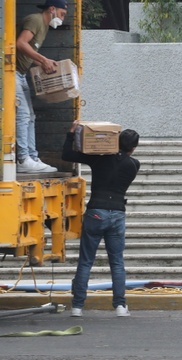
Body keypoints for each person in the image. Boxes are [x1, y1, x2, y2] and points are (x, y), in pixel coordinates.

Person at [63, 122, 141, 317]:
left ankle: (77, 307)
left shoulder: (100, 159)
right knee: (117, 262)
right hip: (117, 213)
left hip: (96, 211)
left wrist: (71, 134)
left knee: (86, 261)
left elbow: (67, 155)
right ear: (134, 148)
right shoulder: (134, 165)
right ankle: (120, 306)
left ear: (115, 141)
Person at [14, 0, 68, 174]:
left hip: (20, 74)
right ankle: (23, 159)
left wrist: (44, 62)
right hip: (11, 72)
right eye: (61, 13)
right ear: (51, 9)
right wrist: (43, 59)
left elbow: (28, 52)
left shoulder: (44, 26)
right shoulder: (35, 20)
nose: (62, 18)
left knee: (30, 115)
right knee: (23, 115)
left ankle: (32, 157)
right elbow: (20, 43)